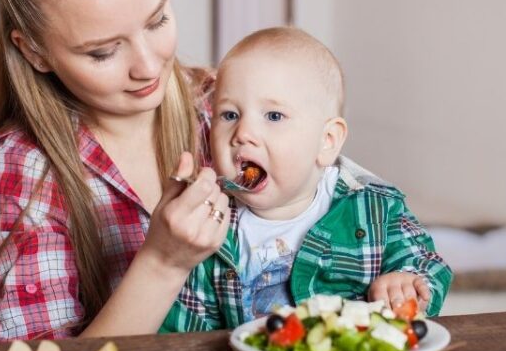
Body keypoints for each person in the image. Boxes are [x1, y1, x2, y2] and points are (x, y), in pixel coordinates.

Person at [0, 0, 232, 341]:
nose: (147, 66)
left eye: (157, 21)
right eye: (102, 52)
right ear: (35, 52)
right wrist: (163, 263)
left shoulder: (222, 105)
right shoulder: (23, 168)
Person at [161, 27, 453, 332]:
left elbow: (427, 264)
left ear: (327, 141)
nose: (243, 134)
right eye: (230, 115)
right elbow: (186, 331)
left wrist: (405, 284)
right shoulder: (210, 229)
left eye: (274, 116)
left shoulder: (373, 207)